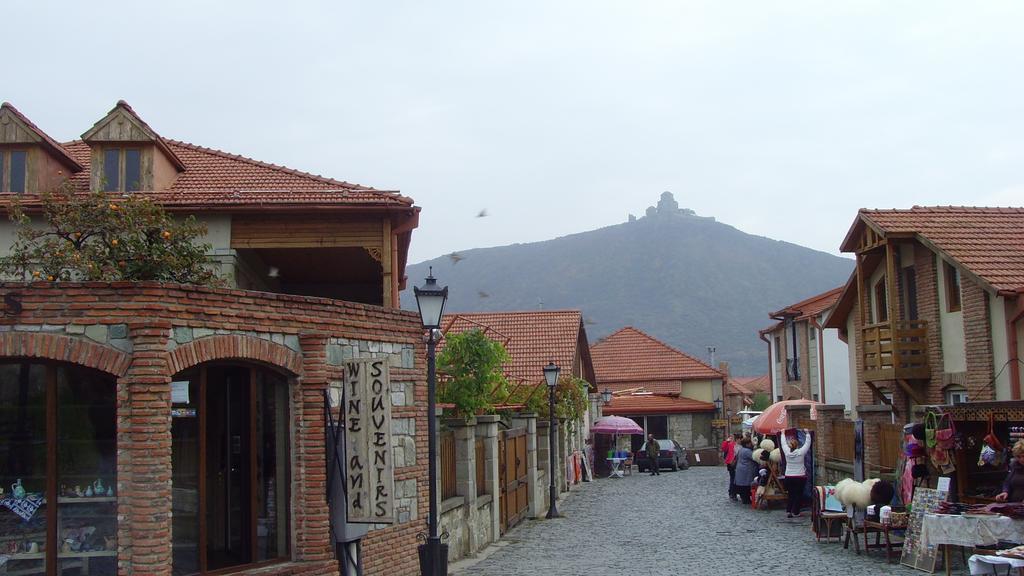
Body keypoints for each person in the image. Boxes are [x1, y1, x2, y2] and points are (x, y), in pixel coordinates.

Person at [780, 428, 812, 518]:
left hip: (789, 476)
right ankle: (796, 511)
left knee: (790, 494)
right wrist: (807, 433)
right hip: (799, 476)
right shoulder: (801, 452)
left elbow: (783, 443)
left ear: (790, 446)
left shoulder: (786, 452)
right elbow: (807, 444)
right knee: (798, 495)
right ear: (797, 445)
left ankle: (789, 510)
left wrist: (782, 433)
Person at [732, 437, 757, 505]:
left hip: (741, 469)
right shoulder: (747, 451)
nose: (752, 444)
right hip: (745, 470)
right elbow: (754, 457)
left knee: (742, 484)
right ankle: (746, 499)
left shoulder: (741, 449)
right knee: (745, 485)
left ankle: (744, 498)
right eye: (750, 443)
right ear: (747, 444)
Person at [722, 433, 738, 500]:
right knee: (733, 478)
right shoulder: (730, 444)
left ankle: (732, 492)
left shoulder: (733, 444)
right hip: (732, 463)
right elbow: (724, 449)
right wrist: (726, 441)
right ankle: (732, 493)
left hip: (732, 463)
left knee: (733, 478)